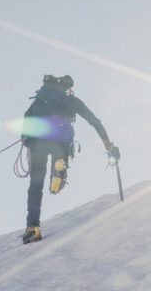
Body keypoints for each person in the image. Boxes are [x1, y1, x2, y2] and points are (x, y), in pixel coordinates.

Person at [21, 75, 119, 244]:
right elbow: (94, 121)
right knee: (61, 151)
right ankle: (59, 169)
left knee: (35, 185)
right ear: (68, 88)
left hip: (37, 143)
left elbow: (27, 117)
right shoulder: (71, 100)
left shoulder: (40, 99)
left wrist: (26, 138)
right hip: (60, 139)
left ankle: (32, 228)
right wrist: (109, 146)